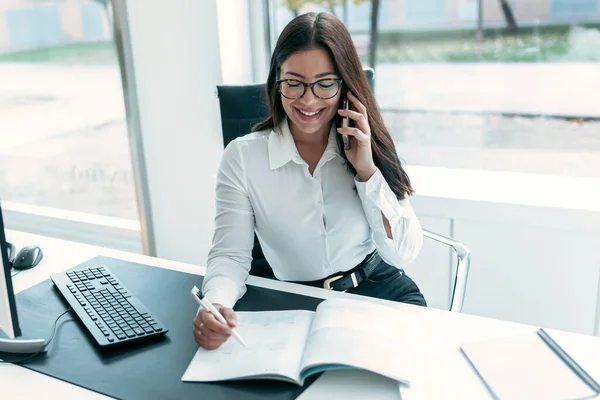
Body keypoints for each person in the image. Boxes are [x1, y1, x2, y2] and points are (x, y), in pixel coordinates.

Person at [193, 12, 426, 350]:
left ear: (345, 84)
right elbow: (230, 255)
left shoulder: (367, 142)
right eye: (294, 82)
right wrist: (216, 303)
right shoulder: (242, 158)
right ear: (277, 80)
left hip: (376, 288)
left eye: (325, 83)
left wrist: (366, 170)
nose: (308, 99)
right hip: (292, 298)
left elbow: (401, 253)